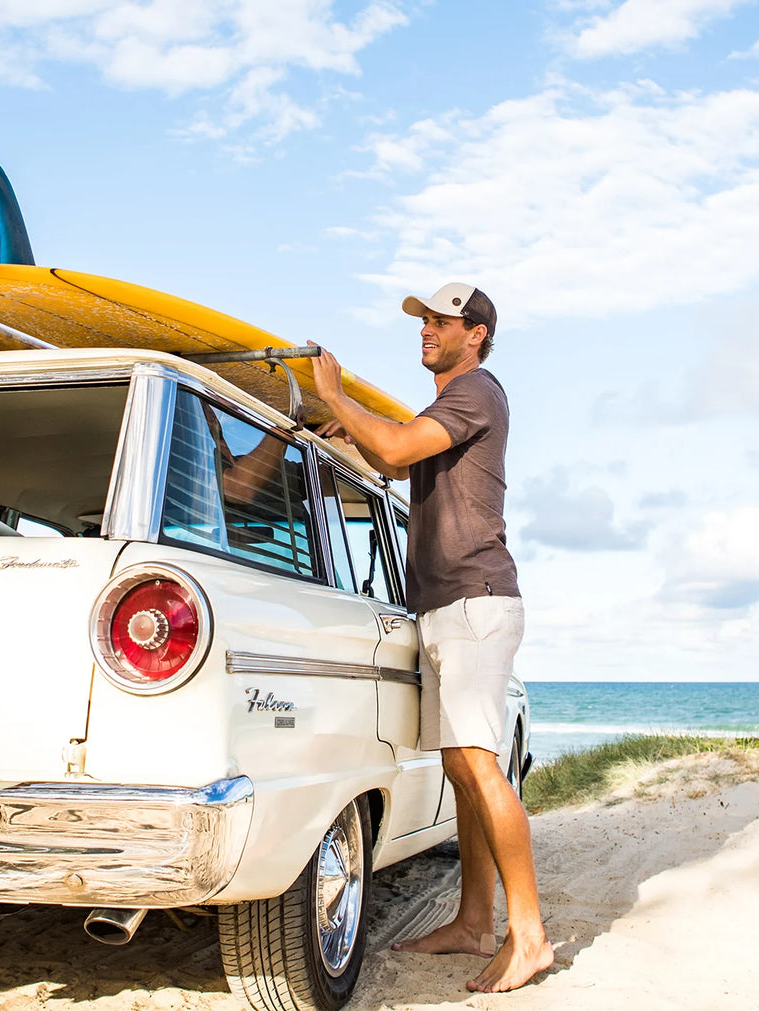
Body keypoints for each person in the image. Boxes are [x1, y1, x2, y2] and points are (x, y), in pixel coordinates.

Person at [309, 283, 553, 993]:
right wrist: (354, 432)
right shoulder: (448, 405)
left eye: (442, 321)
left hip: (476, 604)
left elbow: (393, 444)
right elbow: (392, 453)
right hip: (445, 607)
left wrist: (336, 396)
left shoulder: (478, 390)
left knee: (481, 767)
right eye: (425, 320)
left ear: (475, 334)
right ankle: (476, 919)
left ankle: (528, 936)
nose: (427, 330)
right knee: (460, 769)